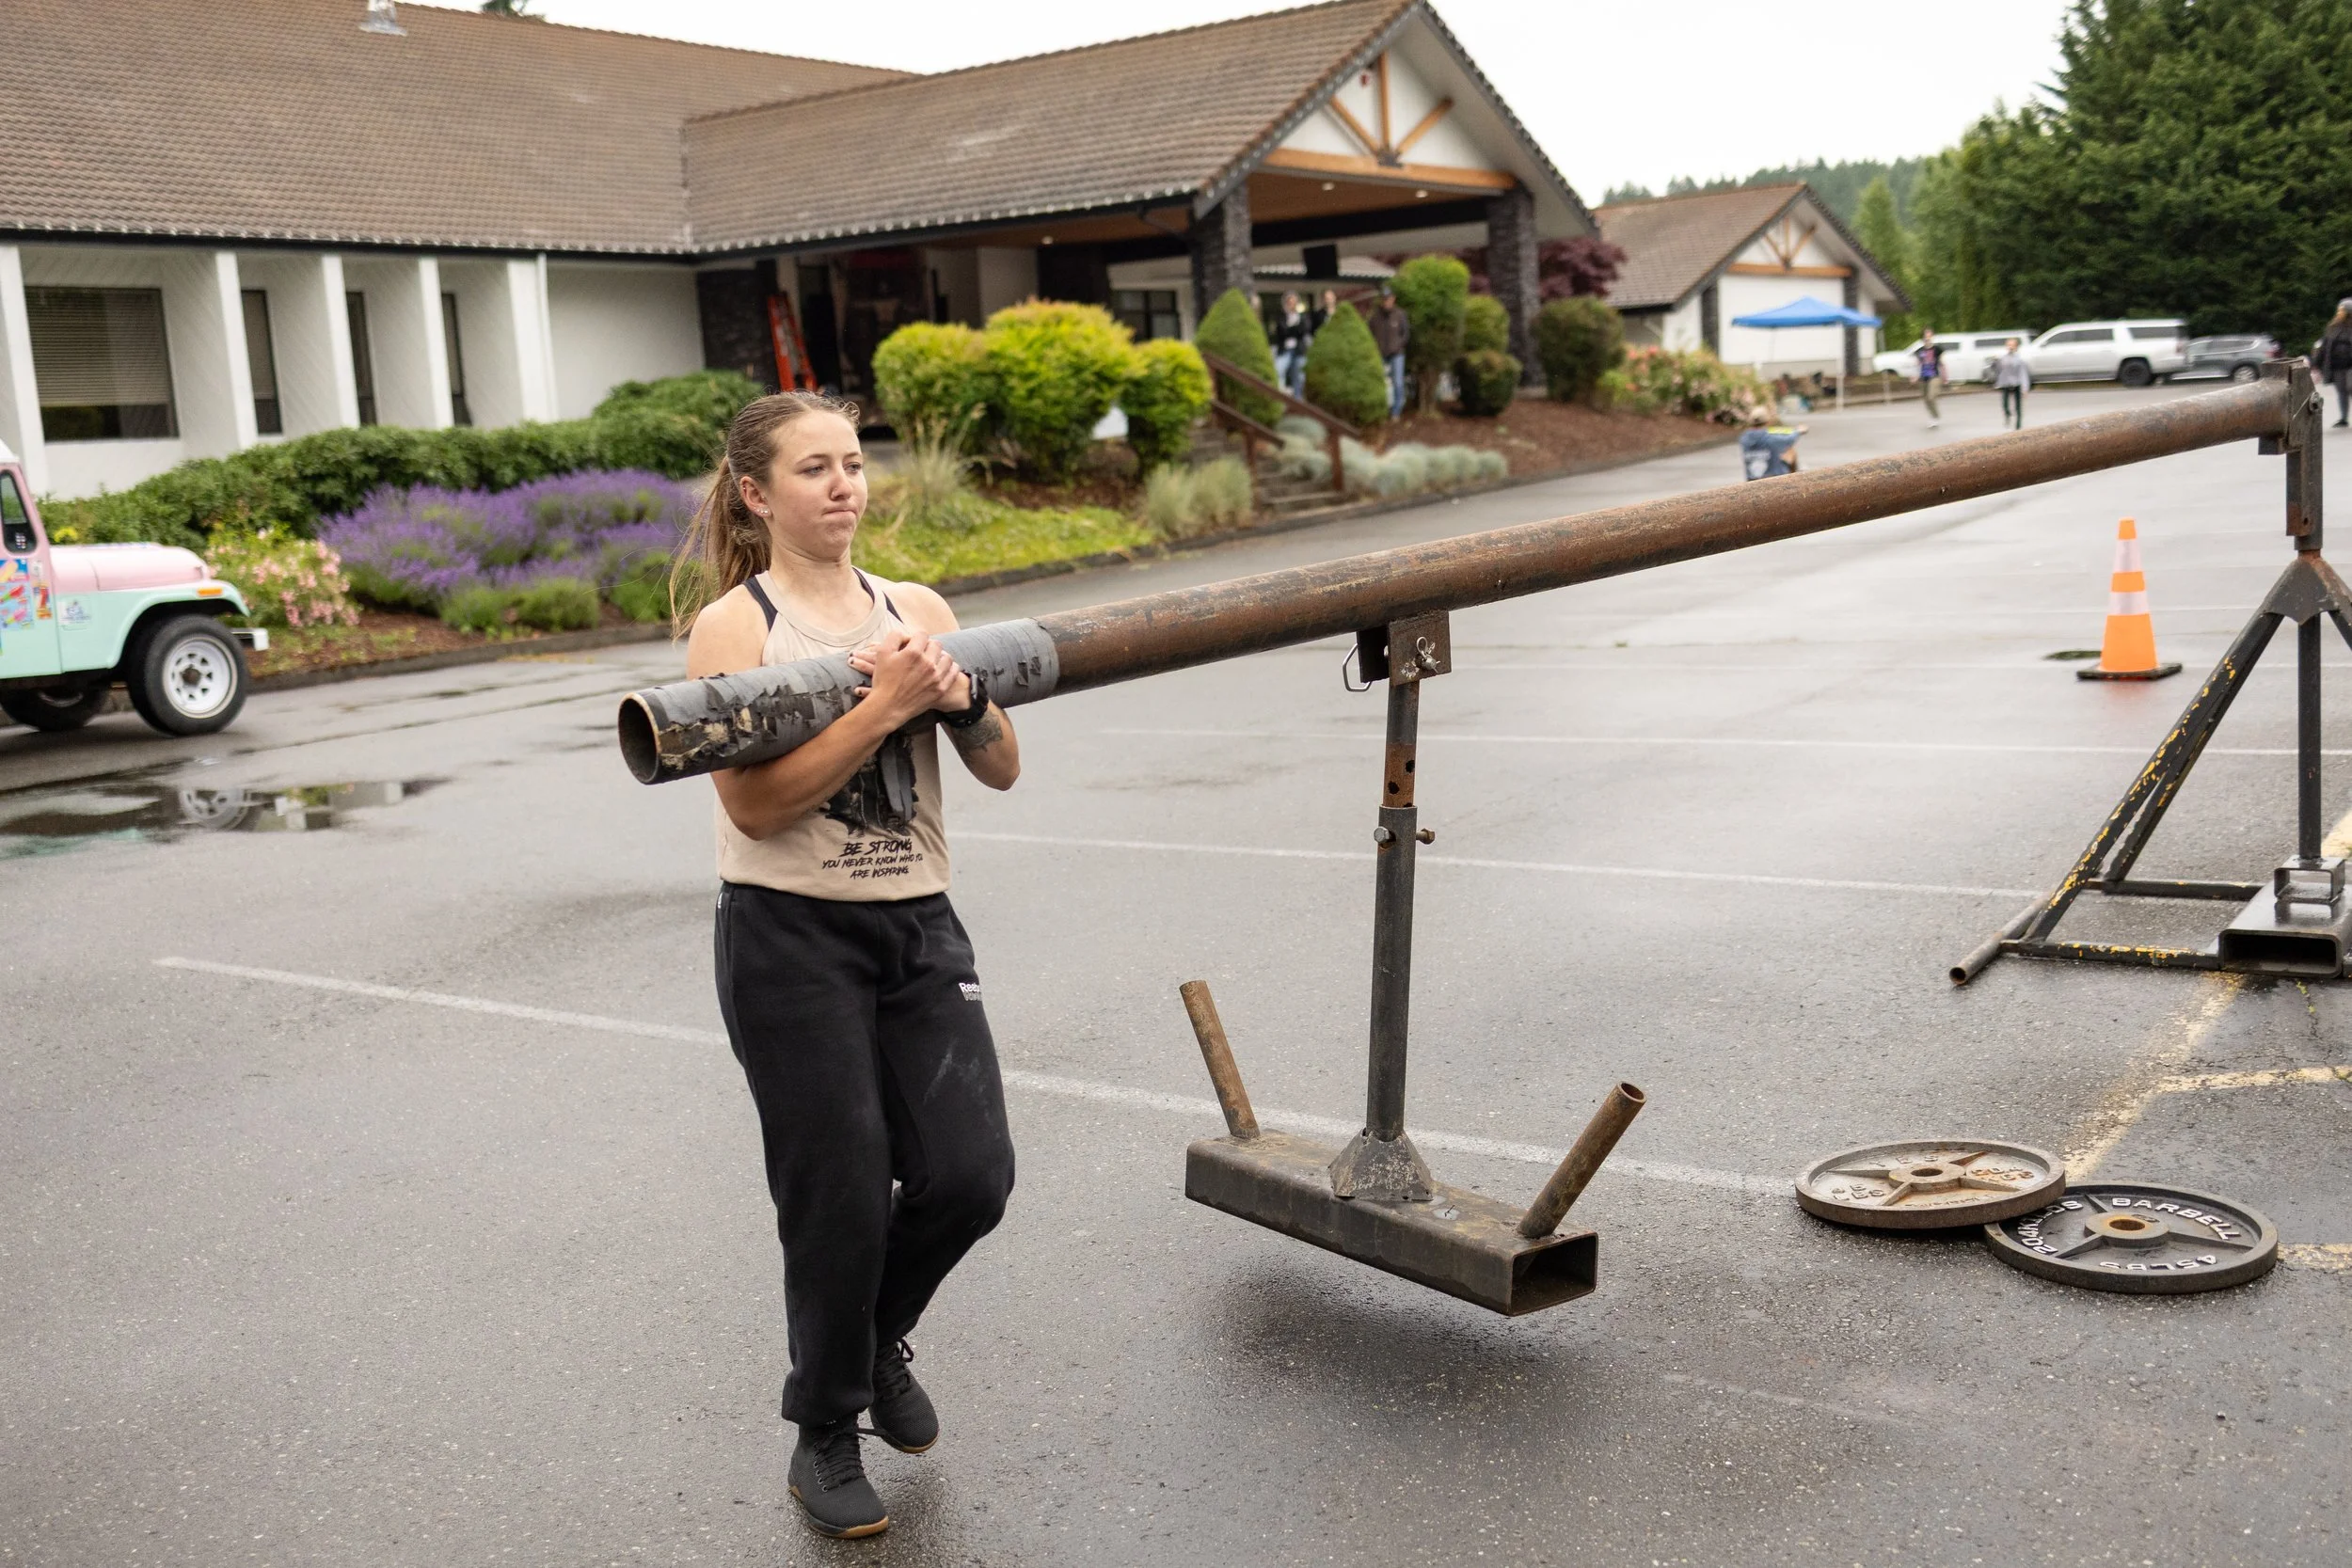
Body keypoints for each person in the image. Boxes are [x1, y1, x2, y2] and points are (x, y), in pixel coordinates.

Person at [680, 391, 1021, 1541]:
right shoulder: (739, 628)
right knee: (837, 1190)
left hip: (917, 923)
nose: (842, 484)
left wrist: (960, 691)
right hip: (788, 933)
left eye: (853, 463)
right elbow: (761, 804)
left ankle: (872, 1340)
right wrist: (883, 705)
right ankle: (823, 1424)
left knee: (972, 1176)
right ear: (757, 493)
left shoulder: (915, 606)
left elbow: (1003, 765)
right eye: (813, 467)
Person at [1367, 284, 1411, 420]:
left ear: (1393, 299)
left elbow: (1405, 334)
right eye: (1384, 298)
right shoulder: (1375, 317)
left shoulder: (1400, 315)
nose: (1386, 301)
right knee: (1378, 382)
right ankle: (1380, 408)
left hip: (1397, 354)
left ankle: (1396, 411)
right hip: (1380, 354)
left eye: (1389, 298)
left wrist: (1398, 346)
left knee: (1398, 382)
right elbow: (1369, 334)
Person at [1739, 407, 1805, 480]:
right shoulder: (1771, 438)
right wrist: (1798, 431)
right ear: (1767, 421)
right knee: (1790, 451)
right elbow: (1790, 439)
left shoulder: (1744, 438)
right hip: (1773, 476)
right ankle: (1794, 480)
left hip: (1752, 477)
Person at [1272, 292, 1311, 400]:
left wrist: (1290, 329)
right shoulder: (1281, 317)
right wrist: (1295, 328)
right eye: (1289, 303)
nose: (1291, 305)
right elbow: (1282, 331)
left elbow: (1304, 330)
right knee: (1278, 371)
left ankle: (1299, 401)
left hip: (1299, 351)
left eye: (1293, 303)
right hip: (1285, 350)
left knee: (1299, 377)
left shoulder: (1303, 316)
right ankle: (1280, 399)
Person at [2320, 299, 2352, 428]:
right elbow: (2326, 344)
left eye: (2342, 310)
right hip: (2337, 366)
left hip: (2350, 365)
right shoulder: (2333, 327)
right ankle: (2343, 418)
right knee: (2341, 391)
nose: (2339, 312)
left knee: (2350, 388)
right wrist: (2319, 360)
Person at [1992, 336, 2031, 430]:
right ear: (2006, 346)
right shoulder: (2003, 358)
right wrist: (1994, 362)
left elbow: (2023, 374)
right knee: (2005, 404)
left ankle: (2018, 425)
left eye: (2012, 345)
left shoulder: (2020, 359)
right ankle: (2007, 414)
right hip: (2005, 383)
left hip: (2016, 383)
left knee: (2018, 406)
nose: (2010, 347)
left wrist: (2025, 388)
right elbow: (1997, 369)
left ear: (2016, 347)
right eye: (2009, 345)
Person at [1915, 329, 1947, 428]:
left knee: (1931, 397)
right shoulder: (1920, 351)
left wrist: (1945, 376)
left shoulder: (1937, 349)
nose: (1928, 338)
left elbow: (1942, 363)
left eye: (1930, 336)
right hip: (1923, 377)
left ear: (1932, 337)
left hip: (1934, 376)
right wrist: (1915, 375)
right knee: (1926, 400)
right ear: (1923, 338)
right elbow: (1917, 364)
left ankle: (1935, 417)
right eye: (1926, 336)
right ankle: (1933, 417)